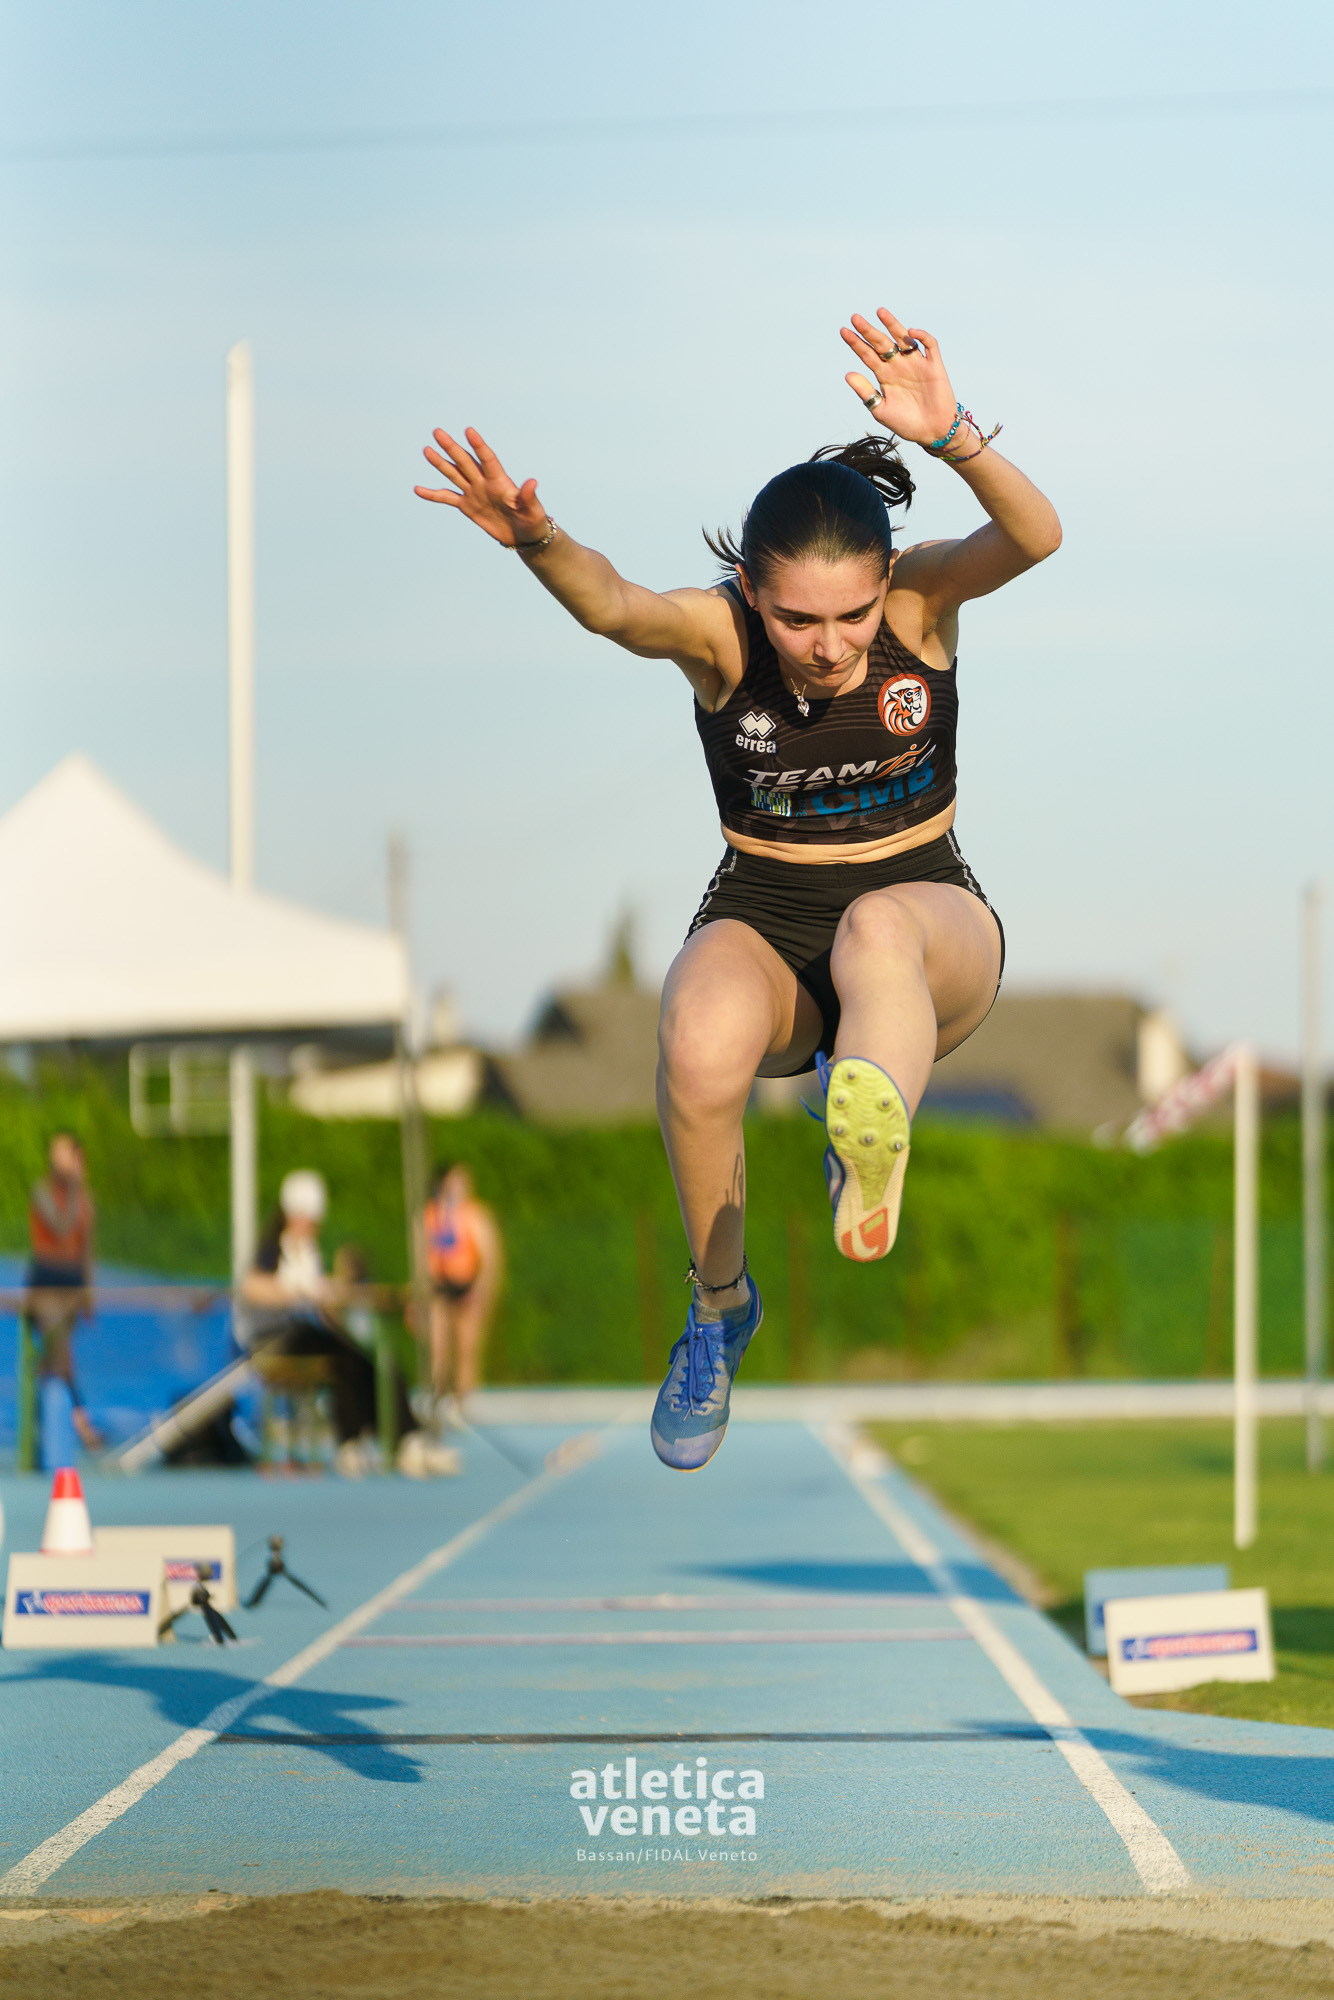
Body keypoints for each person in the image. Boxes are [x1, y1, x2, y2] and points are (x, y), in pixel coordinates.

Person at [415, 301, 1060, 1472]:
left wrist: (950, 435)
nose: (829, 645)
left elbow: (1034, 535)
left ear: (885, 581)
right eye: (797, 619)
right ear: (750, 594)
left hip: (925, 919)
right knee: (696, 1029)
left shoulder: (920, 602)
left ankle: (866, 1125)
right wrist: (537, 540)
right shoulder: (720, 641)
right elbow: (616, 605)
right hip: (765, 913)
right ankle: (718, 1306)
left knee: (874, 929)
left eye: (850, 615)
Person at [239, 1169, 459, 1478]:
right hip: (277, 1340)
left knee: (372, 1362)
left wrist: (333, 1294)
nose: (311, 1227)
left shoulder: (309, 1251)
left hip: (308, 1334)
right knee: (343, 1359)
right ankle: (357, 1441)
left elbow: (322, 1301)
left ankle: (404, 1438)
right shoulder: (271, 1250)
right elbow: (251, 1287)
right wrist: (296, 1290)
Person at [25, 1130, 101, 1458]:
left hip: (72, 1282)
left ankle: (44, 1420)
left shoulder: (84, 1199)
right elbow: (60, 1225)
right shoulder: (44, 1191)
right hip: (46, 1280)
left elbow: (86, 1247)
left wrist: (89, 1292)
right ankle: (80, 1419)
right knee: (59, 1351)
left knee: (53, 1359)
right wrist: (74, 1187)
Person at [423, 1163, 503, 1423]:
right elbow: (423, 1256)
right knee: (438, 1346)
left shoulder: (474, 1215)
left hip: (467, 1284)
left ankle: (464, 1401)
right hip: (440, 1286)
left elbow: (488, 1256)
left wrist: (481, 1289)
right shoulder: (431, 1214)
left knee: (467, 1347)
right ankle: (438, 1396)